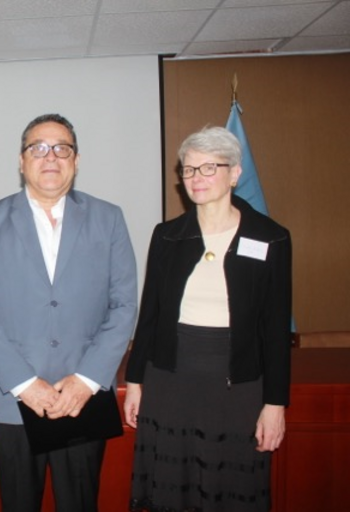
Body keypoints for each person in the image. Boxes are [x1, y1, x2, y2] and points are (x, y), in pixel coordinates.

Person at [0, 113, 138, 511]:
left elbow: (124, 303)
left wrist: (88, 380)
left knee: (80, 503)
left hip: (83, 397)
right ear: (22, 160)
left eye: (62, 148)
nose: (51, 157)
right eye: (38, 148)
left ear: (76, 160)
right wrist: (26, 383)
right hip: (14, 400)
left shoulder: (109, 219)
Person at [124, 126, 292, 512]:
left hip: (238, 386)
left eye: (208, 168)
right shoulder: (167, 235)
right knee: (172, 490)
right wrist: (135, 381)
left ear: (235, 173)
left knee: (231, 488)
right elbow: (149, 313)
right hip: (170, 381)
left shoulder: (270, 238)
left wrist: (275, 404)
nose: (196, 178)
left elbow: (276, 327)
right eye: (188, 169)